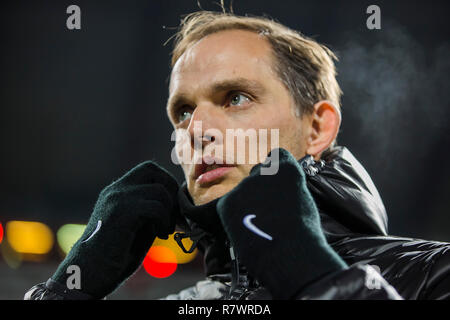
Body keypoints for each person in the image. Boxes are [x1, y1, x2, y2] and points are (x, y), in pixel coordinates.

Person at [25, 10, 449, 300]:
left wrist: (313, 277)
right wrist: (65, 291)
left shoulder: (433, 274)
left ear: (318, 127)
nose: (197, 130)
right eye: (184, 111)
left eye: (236, 97)